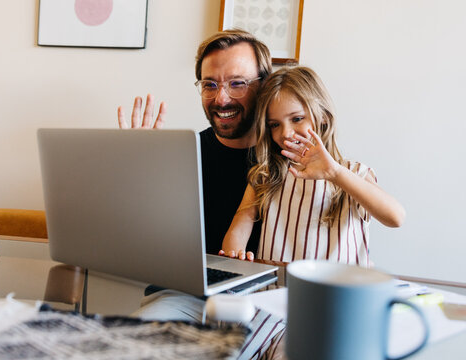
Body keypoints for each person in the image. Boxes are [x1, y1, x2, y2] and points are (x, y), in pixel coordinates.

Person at [118, 30, 285, 359]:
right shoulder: (179, 154)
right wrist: (139, 174)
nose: (221, 99)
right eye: (210, 84)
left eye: (237, 83)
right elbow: (139, 245)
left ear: (264, 84)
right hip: (182, 298)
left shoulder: (290, 159)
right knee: (127, 346)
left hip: (266, 302)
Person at [220, 66, 405, 266]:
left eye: (297, 119)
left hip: (337, 293)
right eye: (275, 125)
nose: (286, 133)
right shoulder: (266, 175)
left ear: (323, 116)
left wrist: (334, 172)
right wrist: (234, 256)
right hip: (277, 292)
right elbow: (241, 223)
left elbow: (395, 217)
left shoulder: (353, 173)